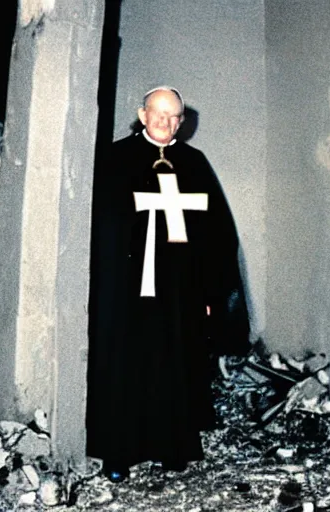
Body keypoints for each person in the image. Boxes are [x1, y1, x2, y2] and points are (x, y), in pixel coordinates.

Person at [87, 86, 250, 483]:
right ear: (142, 115)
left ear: (182, 121)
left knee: (174, 361)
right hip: (126, 289)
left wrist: (212, 291)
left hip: (179, 293)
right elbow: (99, 225)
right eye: (158, 114)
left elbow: (217, 233)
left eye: (174, 116)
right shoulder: (114, 158)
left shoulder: (194, 163)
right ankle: (118, 452)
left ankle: (170, 446)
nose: (166, 122)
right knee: (125, 362)